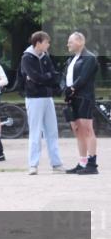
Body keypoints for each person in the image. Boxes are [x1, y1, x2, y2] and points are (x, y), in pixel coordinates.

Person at [20, 31, 64, 175]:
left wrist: (45, 78)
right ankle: (33, 164)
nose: (48, 45)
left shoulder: (46, 57)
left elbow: (53, 75)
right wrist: (47, 77)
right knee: (35, 131)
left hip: (47, 97)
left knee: (52, 131)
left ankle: (56, 164)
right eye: (46, 42)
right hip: (34, 98)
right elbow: (35, 77)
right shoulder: (26, 58)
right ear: (38, 43)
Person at [62, 32, 99, 175]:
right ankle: (82, 162)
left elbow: (84, 77)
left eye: (70, 41)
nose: (68, 44)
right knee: (78, 130)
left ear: (80, 41)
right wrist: (65, 89)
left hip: (84, 97)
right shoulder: (72, 59)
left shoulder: (89, 57)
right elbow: (65, 76)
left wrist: (72, 88)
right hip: (73, 98)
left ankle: (92, 164)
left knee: (87, 129)